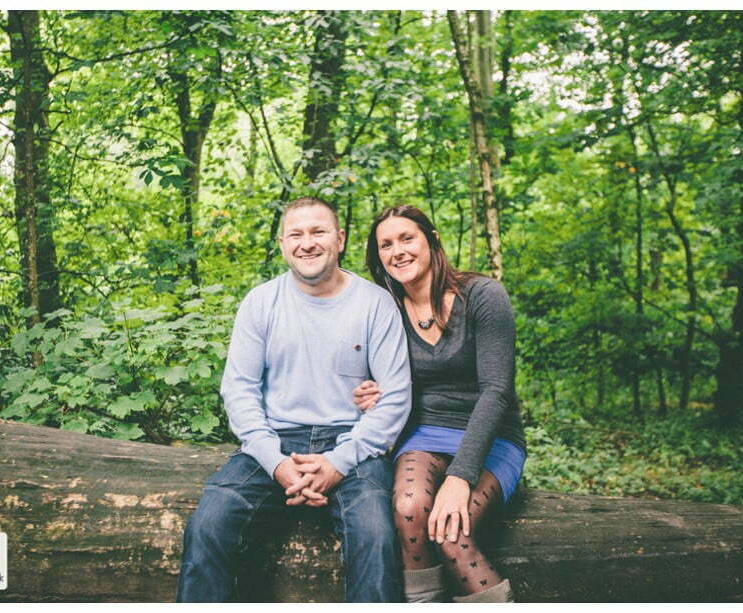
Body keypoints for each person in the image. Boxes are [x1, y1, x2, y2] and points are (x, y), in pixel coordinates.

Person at [176, 196, 413, 602]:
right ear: (282, 244)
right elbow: (239, 390)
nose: (307, 243)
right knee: (209, 525)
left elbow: (395, 398)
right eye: (296, 234)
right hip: (274, 440)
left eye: (319, 232)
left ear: (340, 239)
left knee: (375, 534)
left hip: (352, 442)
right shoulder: (261, 303)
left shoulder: (375, 304)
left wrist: (337, 463)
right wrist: (276, 462)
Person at [353, 204, 527, 603]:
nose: (397, 251)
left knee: (450, 529)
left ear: (432, 240)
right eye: (386, 244)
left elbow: (497, 391)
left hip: (491, 436)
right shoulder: (386, 311)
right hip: (424, 432)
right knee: (410, 509)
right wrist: (371, 392)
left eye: (407, 238)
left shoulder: (482, 295)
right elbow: (375, 378)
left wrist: (460, 477)